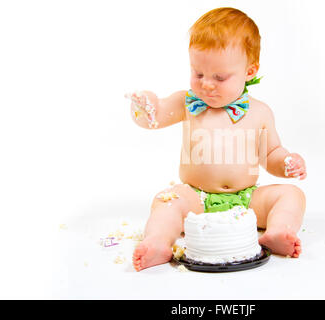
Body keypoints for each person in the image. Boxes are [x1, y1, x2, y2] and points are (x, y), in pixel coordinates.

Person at [129, 7, 306, 271]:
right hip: (195, 198)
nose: (207, 84)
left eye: (220, 77)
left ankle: (279, 232)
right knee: (166, 200)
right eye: (198, 74)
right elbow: (155, 119)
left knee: (292, 195)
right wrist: (146, 108)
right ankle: (157, 243)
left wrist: (287, 162)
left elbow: (271, 155)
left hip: (246, 201)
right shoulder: (186, 103)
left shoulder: (260, 113)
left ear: (250, 71)